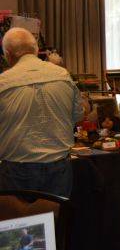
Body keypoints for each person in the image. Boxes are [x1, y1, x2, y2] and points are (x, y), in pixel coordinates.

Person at [0, 28, 83, 198]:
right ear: (36, 49)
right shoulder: (63, 75)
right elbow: (77, 115)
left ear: (7, 55)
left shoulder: (3, 83)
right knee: (56, 221)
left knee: (21, 223)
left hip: (17, 170)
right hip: (59, 168)